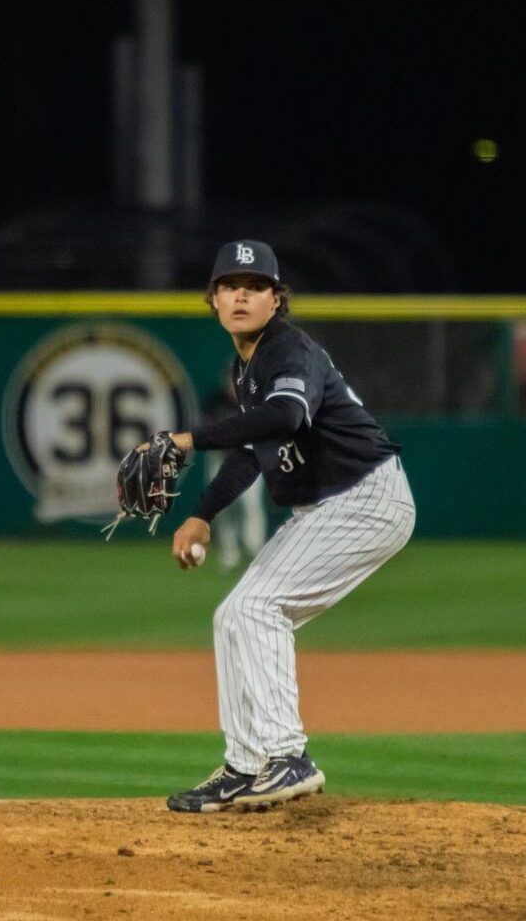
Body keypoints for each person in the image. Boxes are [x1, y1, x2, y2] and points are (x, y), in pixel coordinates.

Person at [153, 239, 417, 812]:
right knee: (232, 616)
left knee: (257, 609)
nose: (241, 294)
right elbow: (255, 448)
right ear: (214, 301)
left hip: (365, 497)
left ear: (277, 300)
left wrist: (189, 437)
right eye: (229, 285)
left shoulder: (288, 352)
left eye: (256, 286)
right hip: (330, 505)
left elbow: (288, 415)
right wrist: (203, 513)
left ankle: (287, 756)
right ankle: (245, 765)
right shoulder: (246, 369)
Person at [199, 366, 269, 572]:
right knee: (222, 509)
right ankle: (230, 552)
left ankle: (256, 551)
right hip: (220, 460)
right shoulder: (214, 402)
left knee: (251, 506)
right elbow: (205, 432)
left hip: (250, 459)